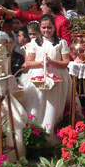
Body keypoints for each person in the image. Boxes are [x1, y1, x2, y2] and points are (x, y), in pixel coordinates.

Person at [19, 14, 72, 144]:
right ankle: (35, 133)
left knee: (53, 106)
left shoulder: (61, 42)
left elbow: (65, 62)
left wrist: (52, 62)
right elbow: (28, 62)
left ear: (54, 27)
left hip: (57, 78)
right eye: (43, 28)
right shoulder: (34, 43)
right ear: (40, 28)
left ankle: (53, 133)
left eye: (49, 27)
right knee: (37, 104)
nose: (46, 30)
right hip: (38, 78)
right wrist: (42, 62)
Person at [0, 0, 71, 44]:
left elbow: (67, 43)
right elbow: (26, 16)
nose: (41, 7)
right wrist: (6, 11)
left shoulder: (63, 21)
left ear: (51, 6)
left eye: (43, 5)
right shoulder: (45, 18)